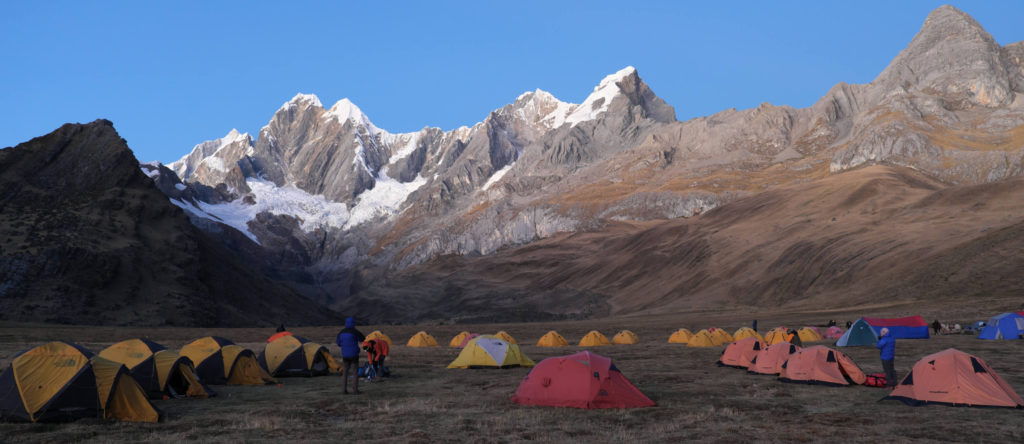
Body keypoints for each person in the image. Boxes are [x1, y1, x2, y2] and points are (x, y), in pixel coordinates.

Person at [336, 317, 365, 394]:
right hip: (354, 355)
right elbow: (363, 339)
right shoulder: (355, 331)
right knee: (355, 372)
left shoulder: (341, 332)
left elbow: (338, 343)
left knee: (345, 372)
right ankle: (355, 390)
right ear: (353, 323)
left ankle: (343, 390)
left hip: (345, 355)